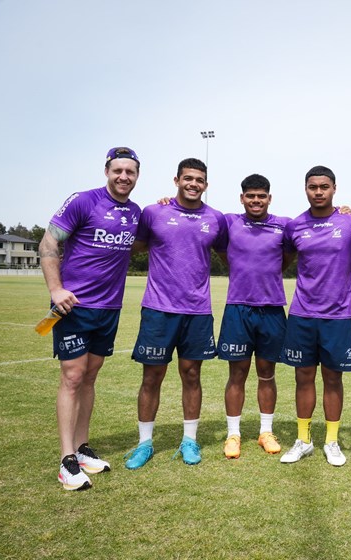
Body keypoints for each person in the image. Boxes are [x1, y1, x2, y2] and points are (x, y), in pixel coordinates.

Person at [40, 146, 142, 491]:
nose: (123, 177)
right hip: (74, 307)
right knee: (72, 377)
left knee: (90, 376)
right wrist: (56, 290)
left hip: (109, 309)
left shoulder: (136, 212)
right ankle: (67, 460)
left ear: (136, 175)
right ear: (107, 171)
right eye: (118, 170)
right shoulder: (83, 201)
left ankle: (83, 449)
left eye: (130, 172)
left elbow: (142, 244)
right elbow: (49, 242)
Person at [123, 158, 227, 470]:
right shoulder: (154, 212)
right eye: (188, 178)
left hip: (197, 311)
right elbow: (135, 247)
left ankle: (189, 440)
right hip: (158, 309)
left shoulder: (216, 218)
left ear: (206, 185)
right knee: (151, 376)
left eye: (199, 180)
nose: (194, 184)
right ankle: (144, 444)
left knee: (192, 375)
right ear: (177, 180)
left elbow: (231, 253)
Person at [278, 165, 351, 467]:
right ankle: (303, 440)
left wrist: (346, 278)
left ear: (334, 189)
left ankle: (331, 441)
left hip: (338, 316)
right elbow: (285, 259)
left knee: (332, 378)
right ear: (306, 189)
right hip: (302, 313)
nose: (319, 192)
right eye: (313, 187)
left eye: (324, 187)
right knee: (303, 377)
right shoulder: (295, 226)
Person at [216, 174, 291, 459]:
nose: (256, 200)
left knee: (267, 374)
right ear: (242, 198)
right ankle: (233, 434)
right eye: (250, 196)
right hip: (238, 308)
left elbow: (289, 257)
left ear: (269, 198)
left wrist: (343, 209)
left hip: (272, 309)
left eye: (261, 196)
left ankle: (265, 431)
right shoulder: (229, 222)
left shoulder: (283, 225)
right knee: (236, 374)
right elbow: (223, 251)